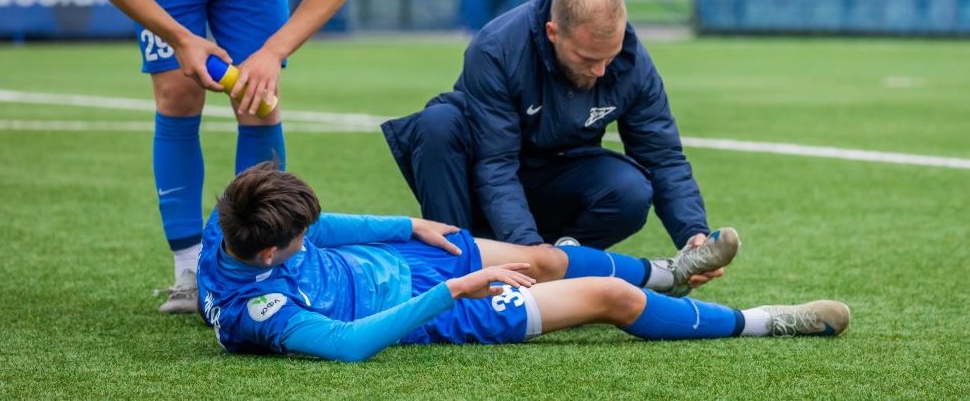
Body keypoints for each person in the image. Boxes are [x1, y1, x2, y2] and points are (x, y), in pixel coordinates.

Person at [85, 0, 353, 314]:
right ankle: (189, 270)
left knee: (259, 100)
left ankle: (255, 264)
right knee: (178, 93)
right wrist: (182, 39)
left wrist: (274, 52)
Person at [197, 161, 850, 361]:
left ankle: (669, 271)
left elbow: (325, 224)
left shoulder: (233, 215)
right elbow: (347, 343)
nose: (310, 236)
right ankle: (766, 320)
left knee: (542, 256)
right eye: (297, 239)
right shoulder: (261, 311)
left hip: (406, 259)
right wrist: (459, 288)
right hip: (435, 312)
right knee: (609, 301)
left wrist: (409, 225)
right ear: (266, 254)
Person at [382, 0, 709, 259]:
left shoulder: (631, 62)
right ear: (552, 33)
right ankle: (458, 266)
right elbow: (495, 166)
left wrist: (692, 233)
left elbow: (662, 157)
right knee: (437, 124)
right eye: (587, 58)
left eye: (609, 56)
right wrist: (527, 248)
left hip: (553, 179)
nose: (601, 70)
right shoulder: (498, 48)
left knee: (630, 190)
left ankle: (563, 264)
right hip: (482, 181)